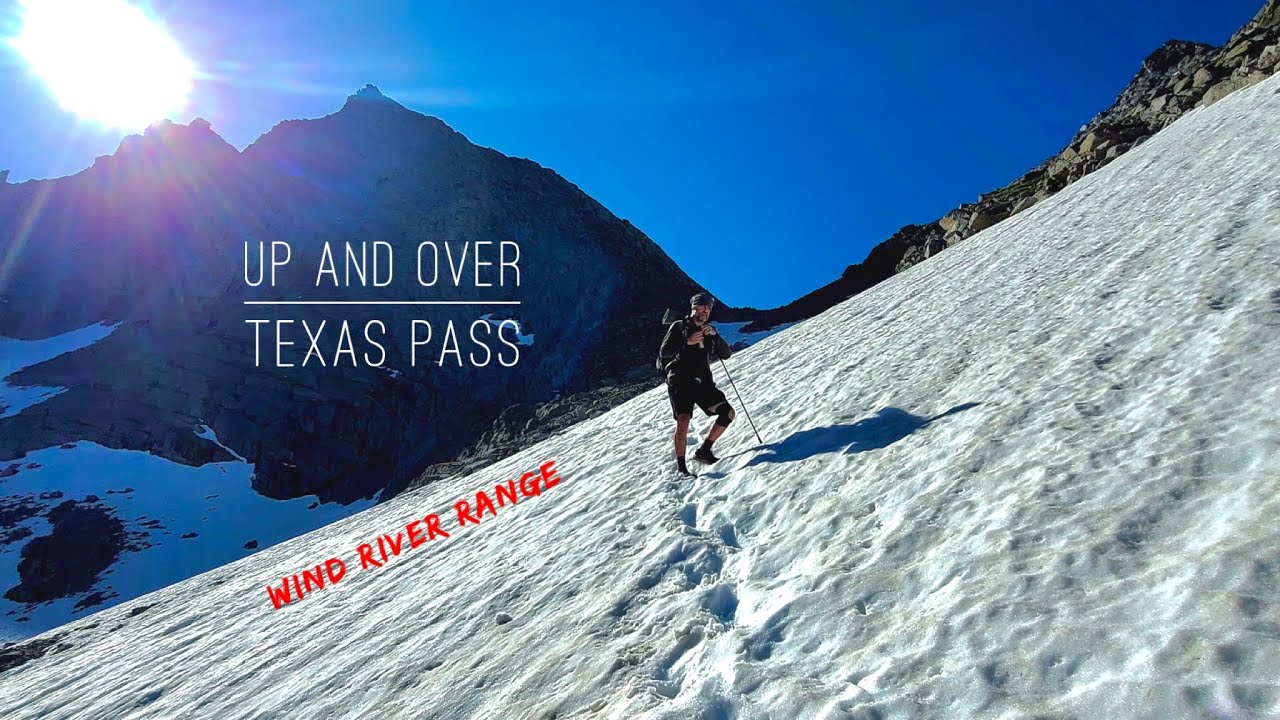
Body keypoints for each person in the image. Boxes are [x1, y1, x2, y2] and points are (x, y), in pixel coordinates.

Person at [658, 292, 736, 475]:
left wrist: (715, 336)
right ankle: (682, 467)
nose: (705, 311)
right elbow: (665, 352)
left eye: (708, 308)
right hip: (680, 379)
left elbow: (726, 354)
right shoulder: (679, 326)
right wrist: (687, 341)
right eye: (702, 307)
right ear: (694, 308)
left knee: (728, 413)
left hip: (702, 382)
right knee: (683, 420)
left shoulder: (709, 331)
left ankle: (704, 450)